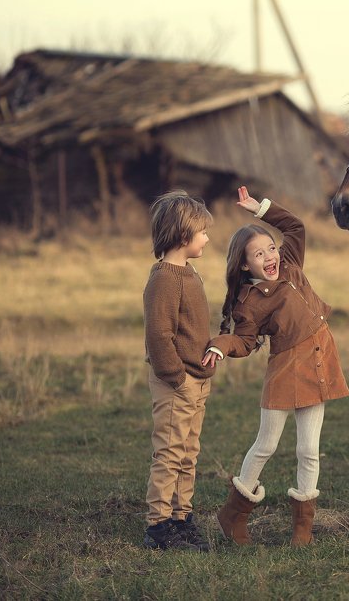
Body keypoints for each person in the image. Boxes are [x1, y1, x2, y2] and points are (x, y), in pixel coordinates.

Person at [203, 186, 349, 547]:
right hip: (285, 369)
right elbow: (245, 341)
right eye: (258, 254)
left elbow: (296, 227)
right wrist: (221, 346)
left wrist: (261, 209)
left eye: (271, 248)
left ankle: (303, 531)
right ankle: (233, 515)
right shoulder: (248, 303)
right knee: (266, 444)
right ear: (243, 264)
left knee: (309, 450)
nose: (270, 256)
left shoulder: (291, 262)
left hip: (319, 358)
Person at [142, 190, 216, 552]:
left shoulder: (188, 272)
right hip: (176, 383)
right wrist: (178, 377)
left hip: (195, 382)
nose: (207, 237)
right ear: (184, 235)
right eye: (203, 231)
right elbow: (159, 335)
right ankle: (159, 526)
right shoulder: (165, 279)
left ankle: (181, 517)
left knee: (188, 452)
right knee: (169, 453)